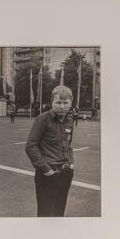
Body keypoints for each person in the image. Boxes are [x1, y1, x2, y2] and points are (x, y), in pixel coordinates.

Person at [24, 83, 77, 217]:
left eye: (65, 103)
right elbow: (30, 146)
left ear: (71, 103)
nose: (62, 106)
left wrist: (71, 164)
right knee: (46, 215)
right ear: (52, 102)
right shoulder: (43, 119)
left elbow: (69, 144)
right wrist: (47, 170)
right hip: (48, 174)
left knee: (59, 213)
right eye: (58, 102)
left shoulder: (69, 119)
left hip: (65, 174)